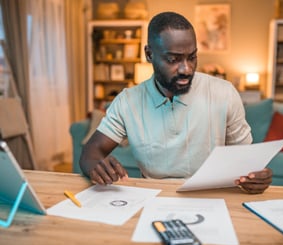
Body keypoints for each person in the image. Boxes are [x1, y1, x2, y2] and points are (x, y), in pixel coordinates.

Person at [80, 11, 272, 194]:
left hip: (211, 196)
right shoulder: (128, 101)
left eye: (192, 57)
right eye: (173, 59)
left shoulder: (224, 93)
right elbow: (91, 152)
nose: (186, 69)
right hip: (154, 196)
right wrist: (96, 166)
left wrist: (255, 177)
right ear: (149, 54)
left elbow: (245, 161)